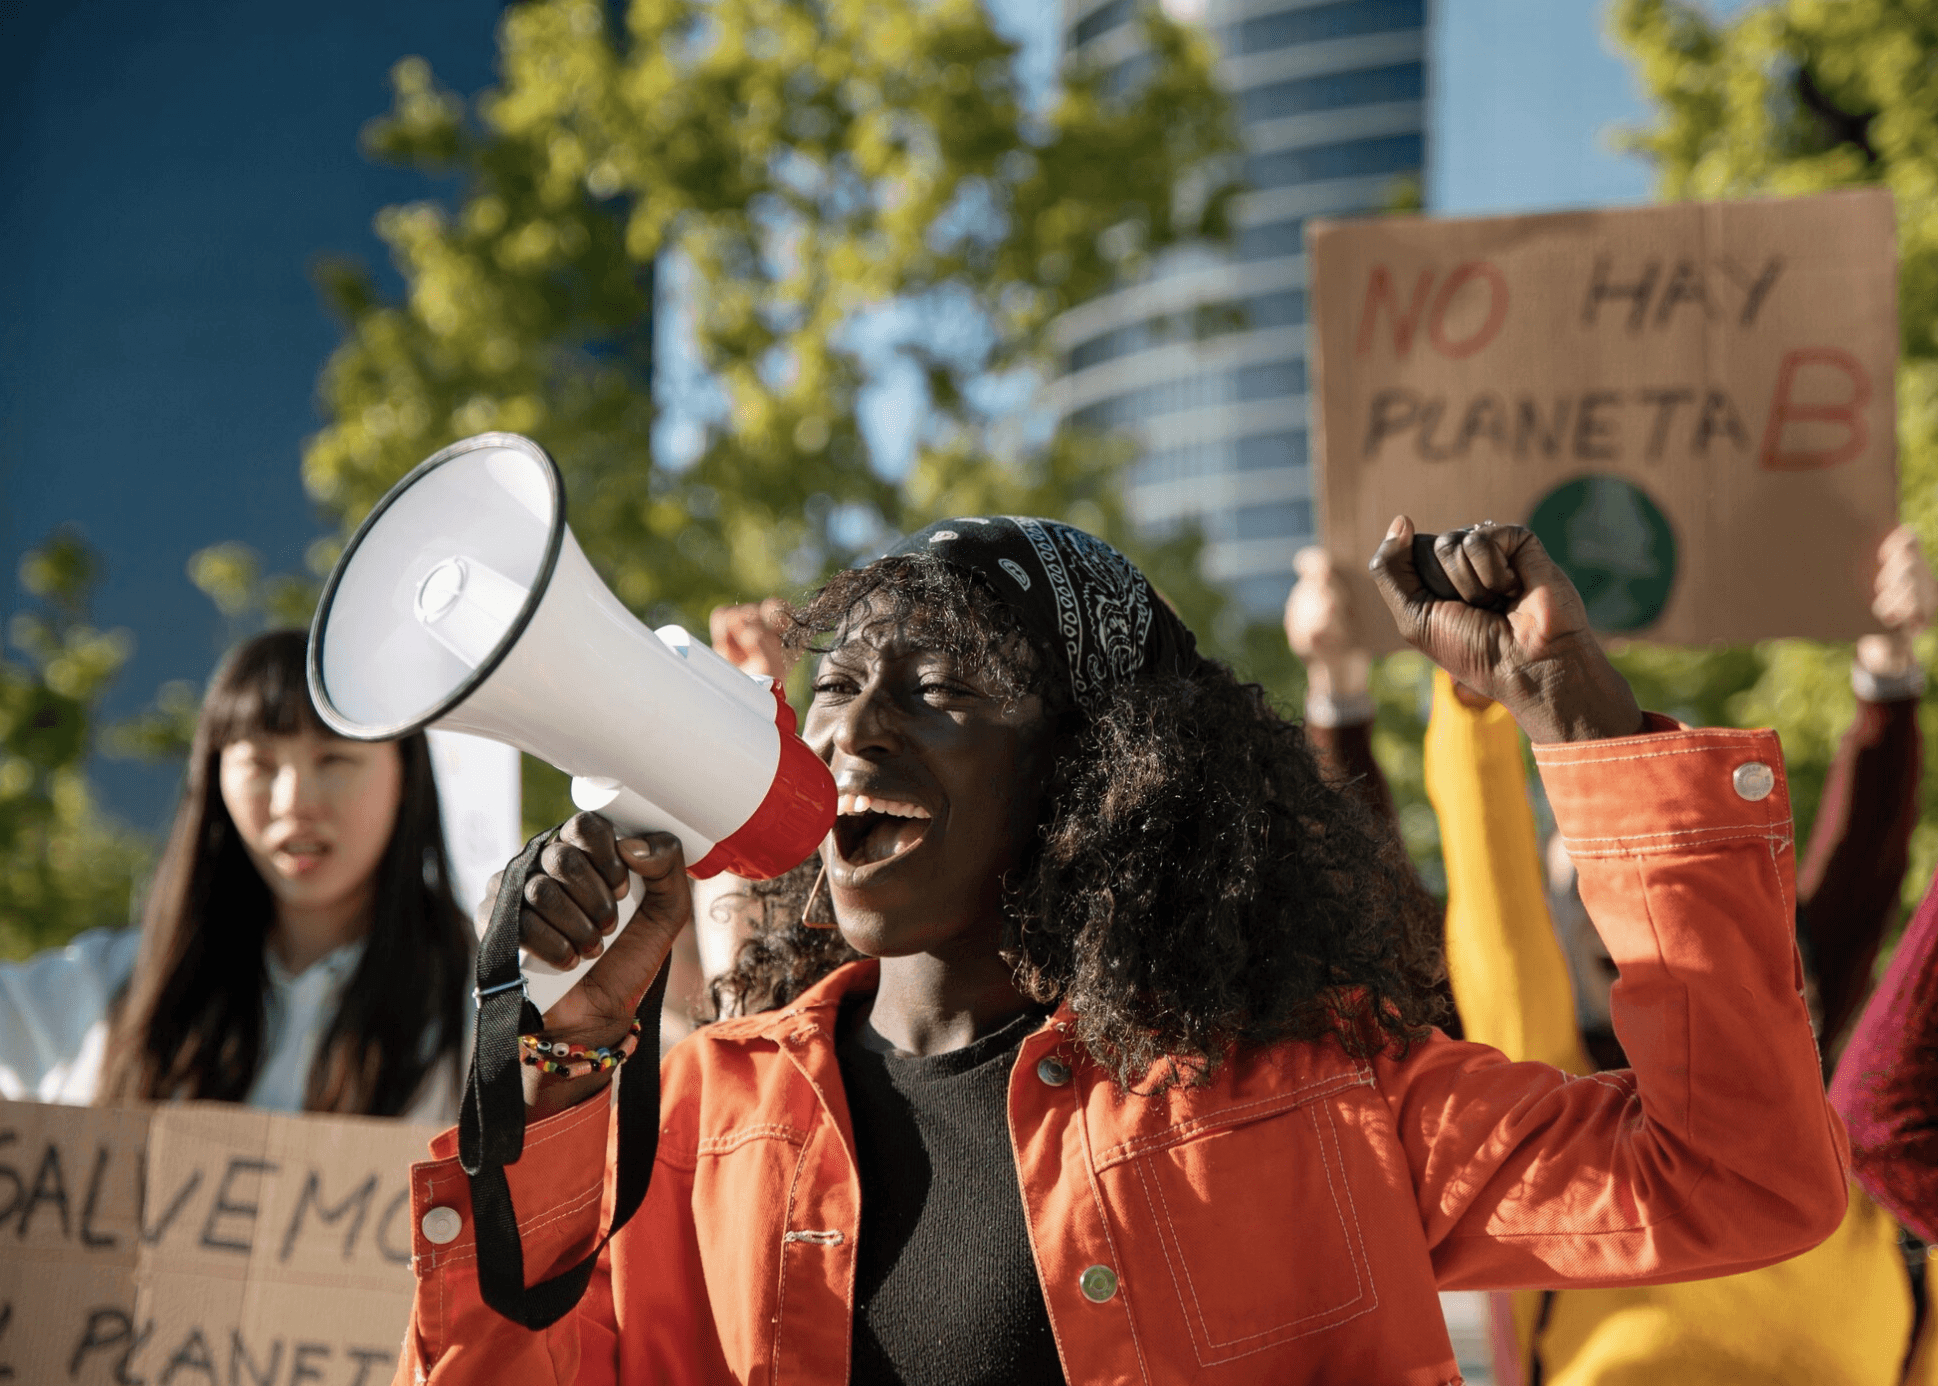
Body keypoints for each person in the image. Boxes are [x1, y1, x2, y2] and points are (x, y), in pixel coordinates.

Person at [393, 517, 1846, 1384]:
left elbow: (1739, 1179)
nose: (851, 726)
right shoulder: (699, 1113)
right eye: (831, 688)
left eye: (941, 686)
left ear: (1098, 773)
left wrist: (1577, 719)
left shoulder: (1318, 1093)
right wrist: (567, 1055)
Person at [1412, 525, 1935, 1384]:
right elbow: (1494, 911)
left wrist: (1889, 671)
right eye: (1585, 893)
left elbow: (1862, 875)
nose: (1620, 920)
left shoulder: (1871, 1150)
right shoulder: (1569, 1134)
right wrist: (1476, 703)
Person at [0, 630, 474, 1120]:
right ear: (214, 780)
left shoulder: (482, 1011)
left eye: (334, 758)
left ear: (406, 776)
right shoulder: (110, 987)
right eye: (259, 763)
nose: (294, 802)